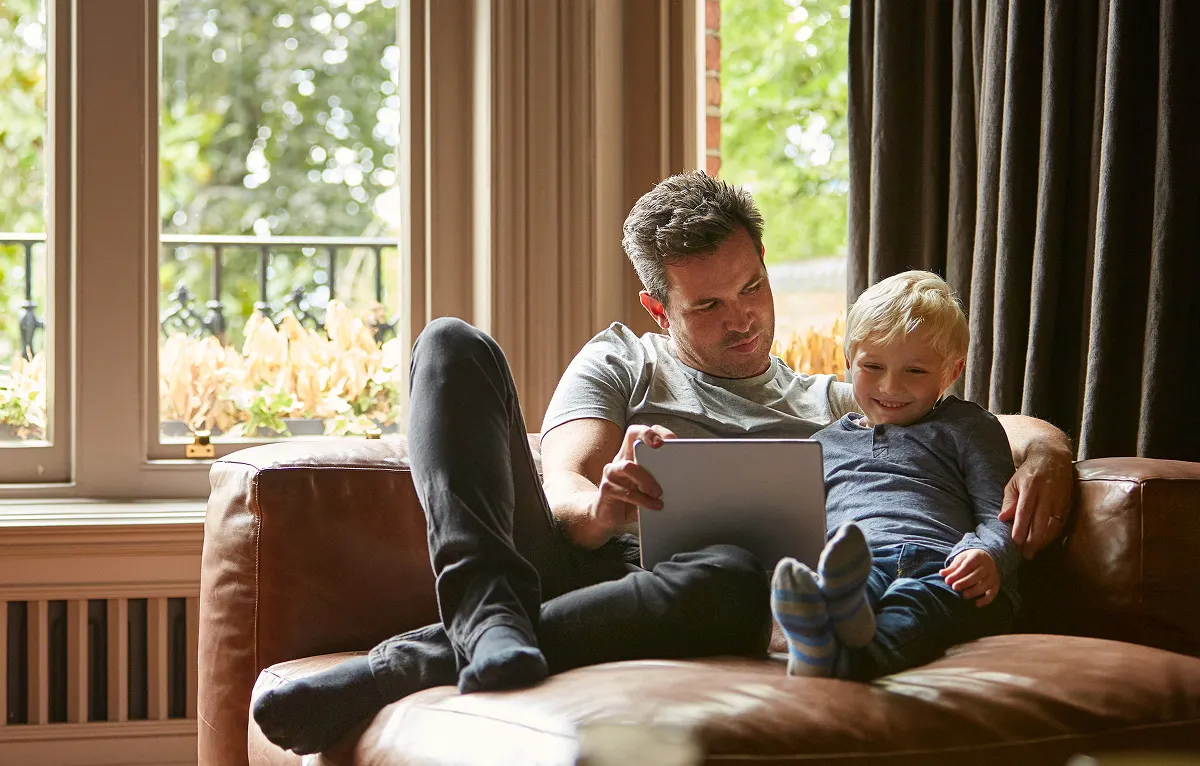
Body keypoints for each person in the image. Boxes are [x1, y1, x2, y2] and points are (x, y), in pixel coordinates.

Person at [252, 171, 1074, 754]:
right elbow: (564, 492)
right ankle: (486, 614)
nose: (744, 319)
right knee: (450, 345)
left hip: (698, 598)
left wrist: (1049, 453)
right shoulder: (623, 362)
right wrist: (606, 506)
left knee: (734, 574)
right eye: (709, 305)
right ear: (658, 306)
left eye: (752, 286)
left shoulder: (840, 400)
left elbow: (982, 424)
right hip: (574, 569)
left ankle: (410, 662)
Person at [771, 270, 1021, 679]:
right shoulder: (820, 445)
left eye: (916, 372)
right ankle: (827, 626)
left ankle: (838, 658)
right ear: (848, 360)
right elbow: (799, 530)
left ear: (951, 372)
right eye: (873, 366)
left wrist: (988, 554)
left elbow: (1001, 513)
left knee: (912, 600)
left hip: (946, 568)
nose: (891, 386)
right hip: (856, 565)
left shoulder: (967, 427)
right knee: (846, 587)